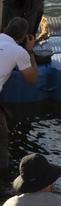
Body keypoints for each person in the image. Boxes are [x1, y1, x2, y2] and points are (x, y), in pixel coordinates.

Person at [0, 18, 39, 180]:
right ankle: (3, 182)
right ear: (23, 38)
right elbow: (32, 79)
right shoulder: (19, 52)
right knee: (1, 143)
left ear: (4, 28)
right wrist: (30, 51)